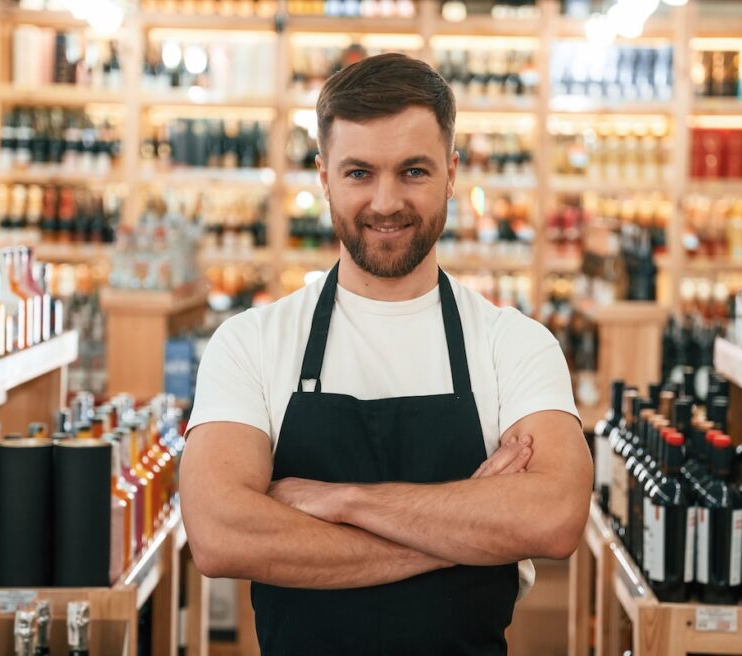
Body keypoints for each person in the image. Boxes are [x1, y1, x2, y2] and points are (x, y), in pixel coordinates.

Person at [180, 53, 592, 655]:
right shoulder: (252, 342)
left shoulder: (514, 343)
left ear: (452, 173)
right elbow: (219, 535)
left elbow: (554, 517)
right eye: (359, 173)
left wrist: (341, 501)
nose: (386, 202)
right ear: (323, 176)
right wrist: (463, 533)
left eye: (414, 171)